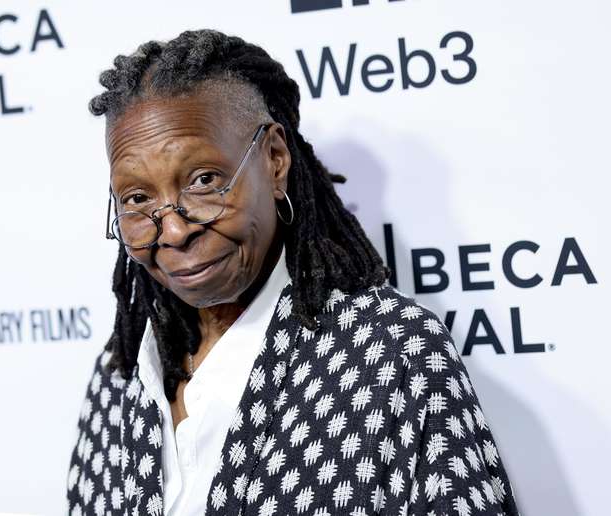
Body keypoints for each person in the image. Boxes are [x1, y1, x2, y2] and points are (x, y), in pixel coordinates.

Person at [67, 28, 520, 516]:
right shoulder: (120, 374)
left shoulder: (392, 352)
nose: (174, 231)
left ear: (275, 161)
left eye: (204, 180)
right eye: (137, 198)